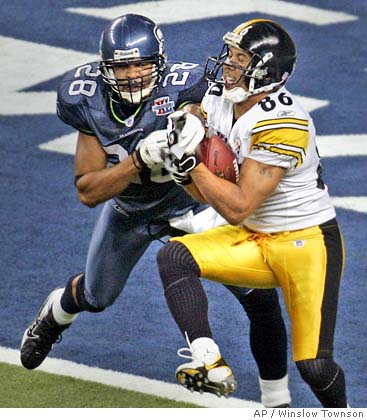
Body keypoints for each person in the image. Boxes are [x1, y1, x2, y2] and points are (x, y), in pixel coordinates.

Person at [20, 14, 291, 407]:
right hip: (130, 210)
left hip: (190, 205)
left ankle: (277, 401)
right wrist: (137, 161)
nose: (132, 75)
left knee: (258, 295)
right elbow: (87, 190)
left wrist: (193, 126)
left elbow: (204, 110)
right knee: (97, 296)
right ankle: (57, 311)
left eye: (141, 64)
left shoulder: (188, 83)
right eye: (122, 66)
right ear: (104, 68)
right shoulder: (86, 98)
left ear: (159, 62)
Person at [156, 19, 348, 408]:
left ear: (266, 71)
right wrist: (187, 139)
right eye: (230, 55)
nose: (228, 65)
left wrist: (192, 164)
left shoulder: (284, 121)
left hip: (305, 243)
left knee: (314, 365)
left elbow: (238, 205)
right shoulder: (220, 99)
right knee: (174, 256)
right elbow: (210, 192)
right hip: (253, 234)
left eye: (240, 58)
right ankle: (210, 362)